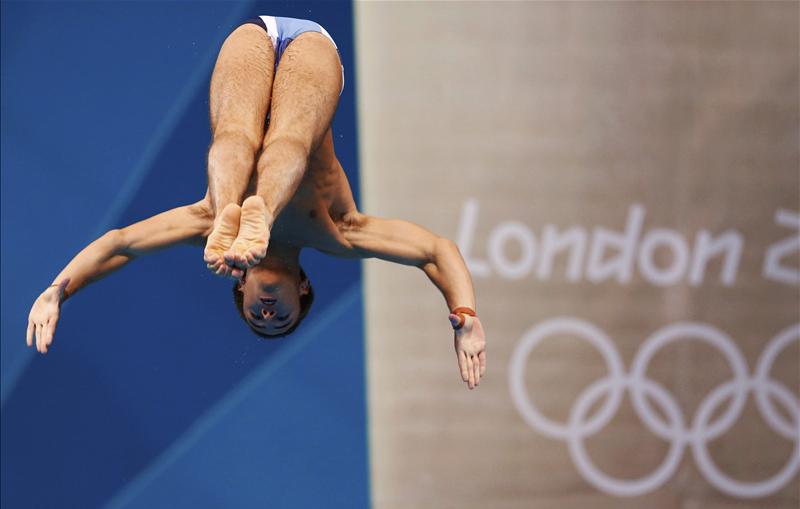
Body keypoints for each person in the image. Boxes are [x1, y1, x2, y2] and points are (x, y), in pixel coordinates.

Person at [25, 15, 487, 389]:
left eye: (257, 317)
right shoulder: (335, 232)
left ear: (240, 287)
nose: (267, 314)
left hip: (250, 40)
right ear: (303, 288)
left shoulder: (202, 230)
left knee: (234, 139)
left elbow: (121, 244)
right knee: (291, 139)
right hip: (313, 51)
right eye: (279, 317)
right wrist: (465, 314)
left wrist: (57, 290)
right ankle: (259, 208)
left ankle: (233, 206)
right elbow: (435, 251)